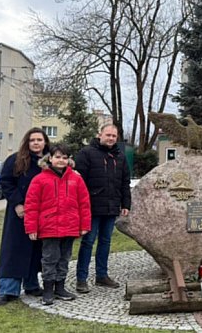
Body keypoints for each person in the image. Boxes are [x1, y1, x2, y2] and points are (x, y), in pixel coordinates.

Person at [24, 144, 91, 305]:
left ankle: (60, 287)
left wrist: (84, 225)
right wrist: (31, 227)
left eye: (65, 157)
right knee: (49, 259)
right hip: (49, 227)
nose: (61, 160)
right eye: (58, 157)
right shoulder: (39, 179)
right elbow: (32, 205)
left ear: (69, 160)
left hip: (70, 225)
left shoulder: (76, 179)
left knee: (64, 258)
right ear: (50, 158)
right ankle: (47, 289)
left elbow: (84, 203)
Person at [0, 128, 50, 306]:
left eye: (39, 140)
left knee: (36, 251)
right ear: (27, 142)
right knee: (14, 250)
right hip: (20, 213)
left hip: (41, 213)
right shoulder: (16, 160)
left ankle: (32, 284)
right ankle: (8, 289)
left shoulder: (49, 162)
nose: (35, 143)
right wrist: (18, 203)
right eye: (32, 140)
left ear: (45, 142)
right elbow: (6, 182)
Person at [74, 124, 131, 293]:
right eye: (108, 135)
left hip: (111, 207)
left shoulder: (119, 156)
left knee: (105, 242)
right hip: (91, 207)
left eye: (114, 136)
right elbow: (79, 181)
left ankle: (101, 275)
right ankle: (81, 278)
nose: (111, 138)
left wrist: (126, 204)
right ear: (100, 135)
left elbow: (124, 182)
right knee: (88, 242)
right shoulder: (86, 153)